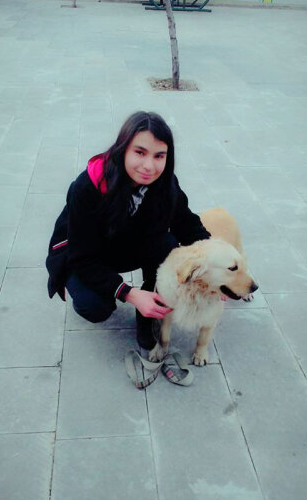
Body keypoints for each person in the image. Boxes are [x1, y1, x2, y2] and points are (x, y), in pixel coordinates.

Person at [46, 111, 210, 350]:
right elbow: (82, 257)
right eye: (140, 152)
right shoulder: (88, 187)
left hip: (124, 245)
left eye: (159, 156)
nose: (149, 166)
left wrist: (219, 262)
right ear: (123, 149)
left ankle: (148, 313)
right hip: (83, 255)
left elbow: (187, 224)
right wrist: (128, 293)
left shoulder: (165, 183)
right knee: (95, 307)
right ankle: (100, 293)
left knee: (168, 244)